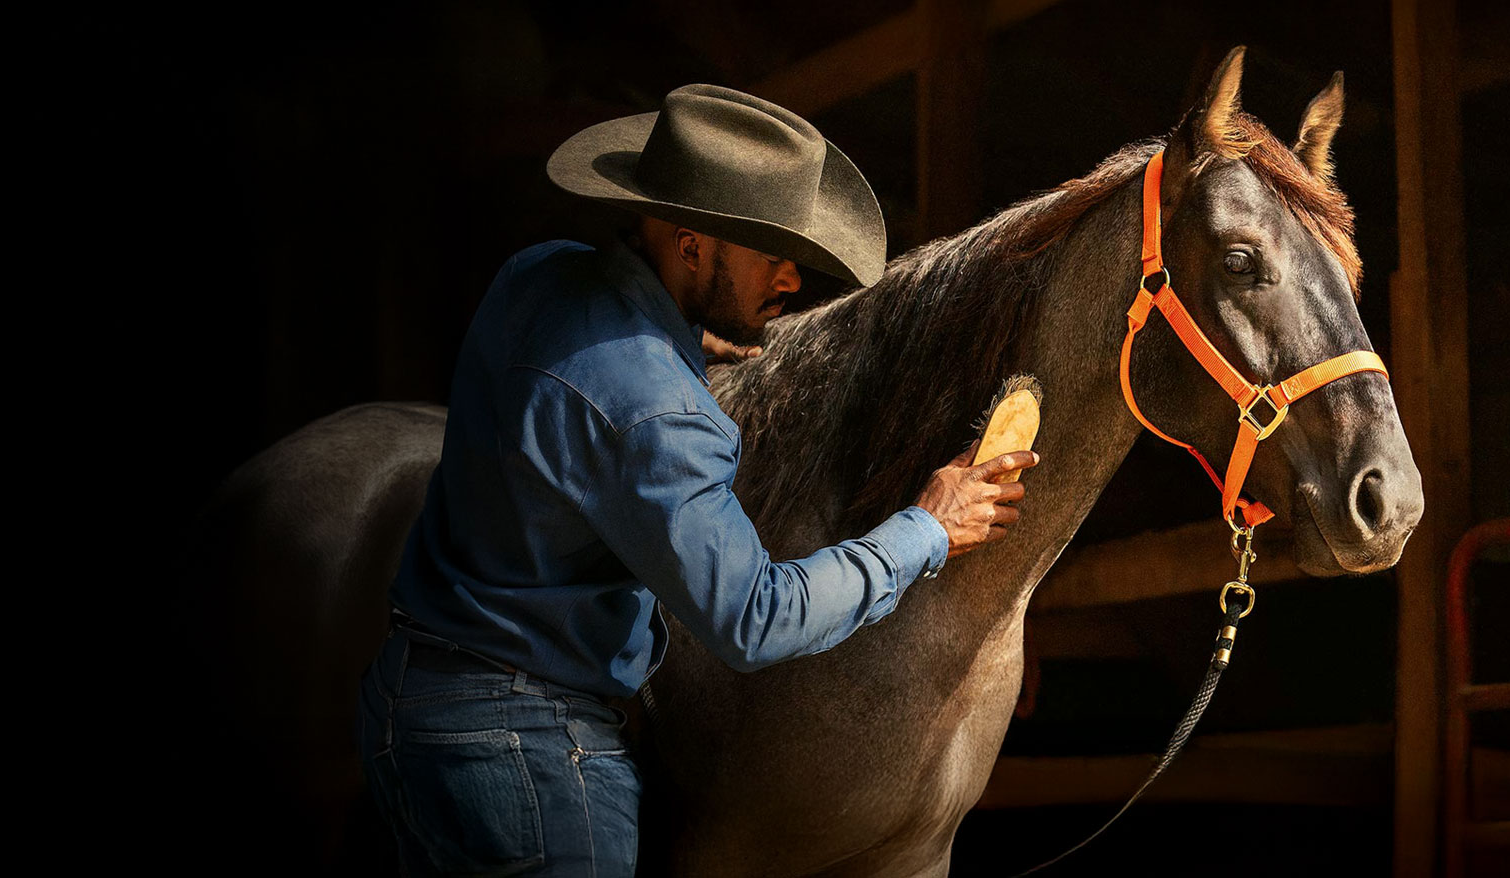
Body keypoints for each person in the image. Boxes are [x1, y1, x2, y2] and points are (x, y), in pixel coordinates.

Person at [356, 83, 1038, 876]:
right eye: (770, 255)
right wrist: (925, 527)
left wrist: (679, 348)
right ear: (689, 247)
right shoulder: (660, 411)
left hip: (406, 708)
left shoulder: (537, 275)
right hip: (529, 756)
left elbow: (572, 398)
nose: (791, 280)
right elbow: (753, 619)